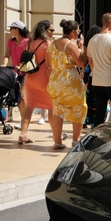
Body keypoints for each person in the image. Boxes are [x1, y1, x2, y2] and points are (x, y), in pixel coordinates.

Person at [46, 19, 88, 149]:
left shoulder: (52, 44)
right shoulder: (70, 45)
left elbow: (49, 65)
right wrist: (81, 48)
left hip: (56, 78)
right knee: (79, 108)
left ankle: (57, 141)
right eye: (78, 31)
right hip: (70, 79)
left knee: (58, 110)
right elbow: (81, 63)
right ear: (74, 32)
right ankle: (75, 141)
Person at [17, 20, 54, 144]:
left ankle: (23, 134)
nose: (53, 33)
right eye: (51, 30)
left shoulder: (29, 42)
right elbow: (49, 66)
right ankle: (56, 135)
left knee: (29, 106)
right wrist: (52, 81)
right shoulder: (47, 44)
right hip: (44, 78)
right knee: (52, 107)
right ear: (44, 30)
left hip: (30, 78)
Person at [2, 20, 30, 129]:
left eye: (11, 28)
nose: (10, 30)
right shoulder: (10, 41)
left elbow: (28, 58)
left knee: (23, 97)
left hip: (25, 72)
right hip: (13, 72)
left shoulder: (27, 42)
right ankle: (23, 120)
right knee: (18, 98)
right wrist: (4, 65)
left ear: (17, 30)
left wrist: (21, 67)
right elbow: (6, 55)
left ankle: (25, 120)